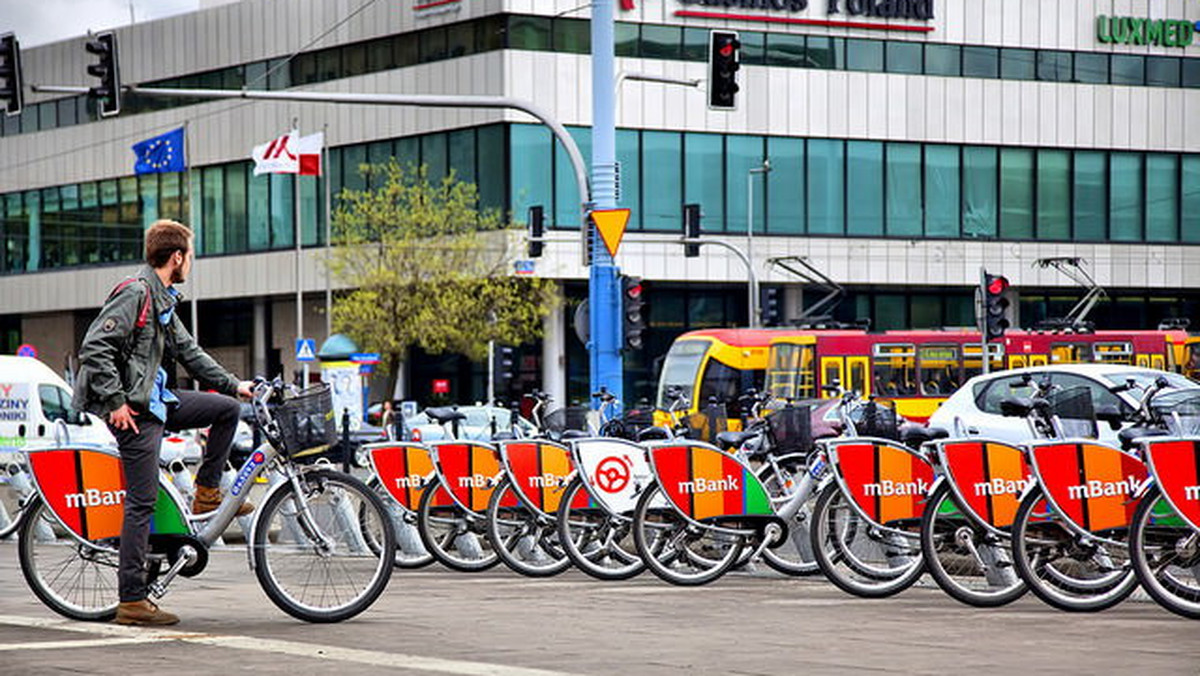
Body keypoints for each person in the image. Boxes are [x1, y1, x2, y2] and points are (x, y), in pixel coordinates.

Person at [72, 220, 253, 627]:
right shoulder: (136, 293)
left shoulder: (163, 299)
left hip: (158, 402)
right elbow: (94, 348)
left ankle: (207, 492)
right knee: (141, 501)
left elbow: (190, 352)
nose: (191, 262)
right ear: (176, 257)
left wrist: (235, 385)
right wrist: (116, 402)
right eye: (190, 255)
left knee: (226, 410)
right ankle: (132, 600)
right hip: (134, 411)